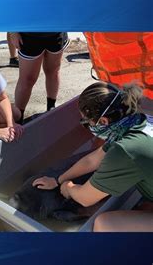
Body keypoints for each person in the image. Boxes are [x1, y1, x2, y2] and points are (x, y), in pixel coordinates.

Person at [33, 82, 153, 232]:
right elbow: (93, 159)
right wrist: (58, 179)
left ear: (103, 121)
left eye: (87, 122)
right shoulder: (139, 121)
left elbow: (85, 198)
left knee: (105, 224)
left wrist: (68, 188)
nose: (88, 126)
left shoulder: (125, 150)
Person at [11, 32, 69, 122]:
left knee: (53, 71)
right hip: (29, 34)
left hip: (56, 31)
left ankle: (51, 107)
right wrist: (13, 32)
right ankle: (18, 118)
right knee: (27, 79)